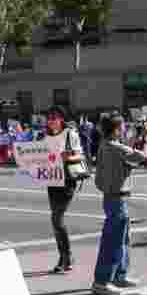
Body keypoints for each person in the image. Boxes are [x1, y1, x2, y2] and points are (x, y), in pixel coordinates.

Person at [92, 114, 147, 295]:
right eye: (122, 127)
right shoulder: (114, 147)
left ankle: (119, 275)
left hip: (114, 197)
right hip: (116, 198)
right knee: (113, 240)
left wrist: (136, 138)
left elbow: (126, 151)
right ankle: (102, 281)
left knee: (122, 239)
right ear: (116, 129)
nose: (124, 130)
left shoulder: (107, 144)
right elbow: (141, 156)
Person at [46, 106, 85, 274]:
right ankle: (65, 257)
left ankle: (66, 257)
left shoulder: (70, 134)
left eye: (54, 117)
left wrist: (67, 156)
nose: (51, 121)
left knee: (57, 218)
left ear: (61, 119)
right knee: (56, 220)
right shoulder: (45, 136)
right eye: (49, 118)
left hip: (67, 180)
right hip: (52, 180)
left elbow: (81, 155)